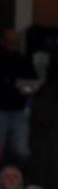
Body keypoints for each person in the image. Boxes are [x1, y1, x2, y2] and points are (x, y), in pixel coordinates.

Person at [0, 29, 38, 163]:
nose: (13, 45)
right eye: (10, 42)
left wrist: (18, 86)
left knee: (21, 149)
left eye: (16, 42)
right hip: (1, 110)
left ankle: (19, 176)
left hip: (18, 111)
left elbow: (32, 87)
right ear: (3, 41)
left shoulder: (23, 62)